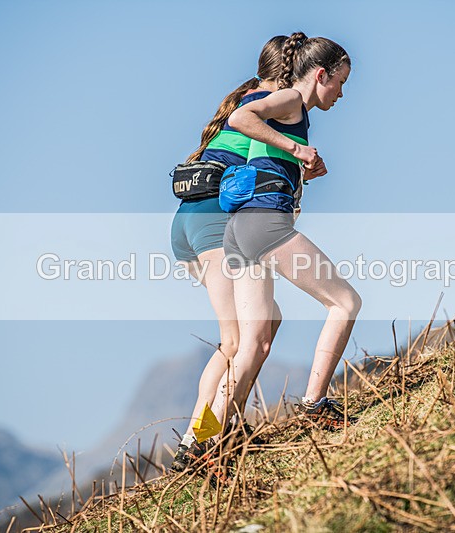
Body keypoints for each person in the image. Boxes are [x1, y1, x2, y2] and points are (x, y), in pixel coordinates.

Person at [208, 32, 361, 438]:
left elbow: (264, 151)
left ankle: (206, 439)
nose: (342, 93)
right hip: (262, 225)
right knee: (345, 302)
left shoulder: (296, 115)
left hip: (239, 231)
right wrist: (296, 153)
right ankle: (315, 403)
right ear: (322, 74)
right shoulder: (293, 100)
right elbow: (241, 118)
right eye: (341, 82)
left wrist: (299, 170)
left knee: (252, 346)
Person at [168, 36, 287, 472]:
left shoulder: (243, 96)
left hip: (188, 222)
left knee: (264, 323)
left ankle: (211, 430)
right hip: (213, 223)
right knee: (239, 339)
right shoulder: (271, 105)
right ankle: (200, 441)